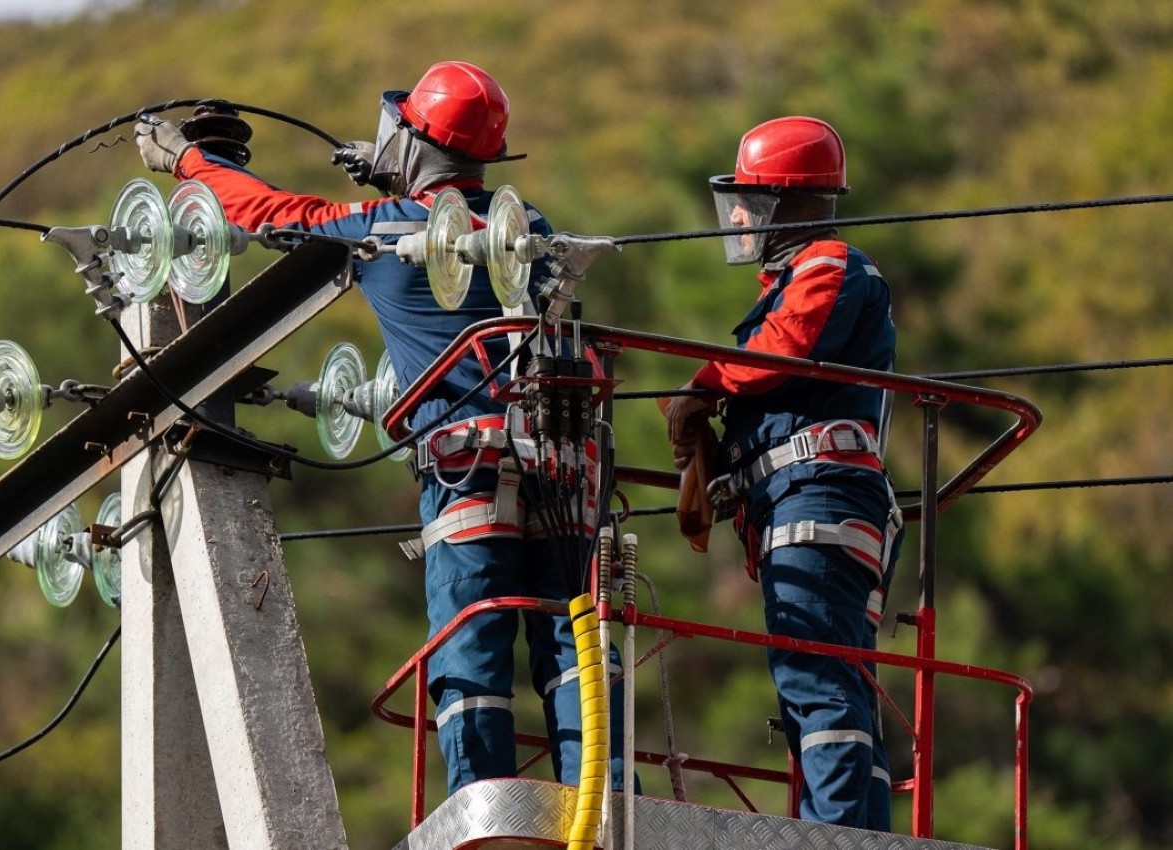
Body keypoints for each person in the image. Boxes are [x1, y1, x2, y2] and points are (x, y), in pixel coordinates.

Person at [134, 60, 630, 796]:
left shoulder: (381, 231)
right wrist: (398, 175)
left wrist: (187, 159)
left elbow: (268, 212)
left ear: (415, 146)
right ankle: (607, 808)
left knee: (471, 650)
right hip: (564, 464)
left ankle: (485, 818)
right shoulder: (528, 229)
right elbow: (455, 215)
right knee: (575, 647)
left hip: (468, 470)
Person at [664, 116, 903, 830]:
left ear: (786, 202)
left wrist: (704, 384)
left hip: (819, 496)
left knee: (816, 681)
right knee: (833, 684)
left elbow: (783, 350)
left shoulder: (829, 264)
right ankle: (858, 836)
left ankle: (833, 839)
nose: (737, 217)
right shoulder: (793, 281)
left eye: (748, 202)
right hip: (811, 501)